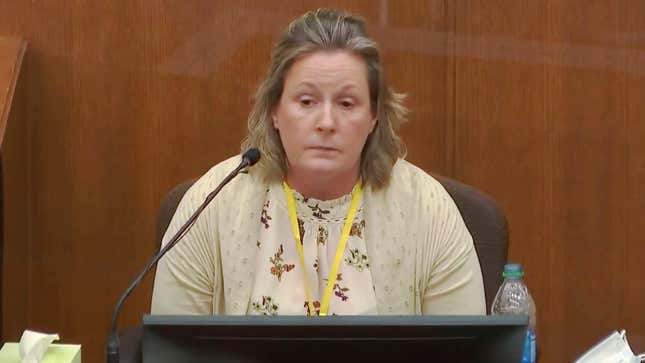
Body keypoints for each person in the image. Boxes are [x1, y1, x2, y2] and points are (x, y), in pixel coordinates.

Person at [151, 8, 485, 316]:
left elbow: (467, 352)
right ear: (275, 111)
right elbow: (173, 349)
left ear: (374, 117)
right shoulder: (211, 206)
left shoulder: (427, 211)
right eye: (307, 101)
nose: (326, 122)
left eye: (346, 103)